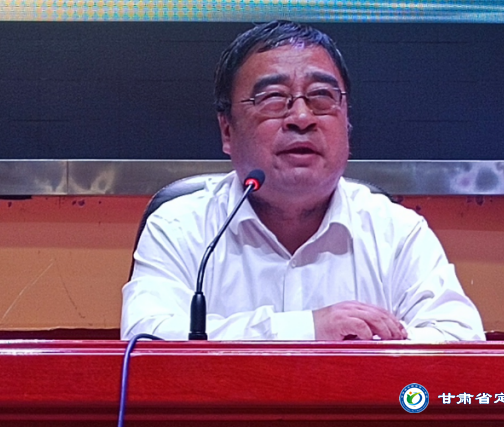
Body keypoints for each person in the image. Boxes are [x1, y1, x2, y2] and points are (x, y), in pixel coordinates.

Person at [121, 20, 485, 342]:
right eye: (273, 98)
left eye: (322, 97)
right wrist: (309, 329)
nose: (301, 117)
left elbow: (460, 338)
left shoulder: (396, 232)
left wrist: (358, 345)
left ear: (347, 122)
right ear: (227, 130)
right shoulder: (180, 228)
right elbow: (146, 336)